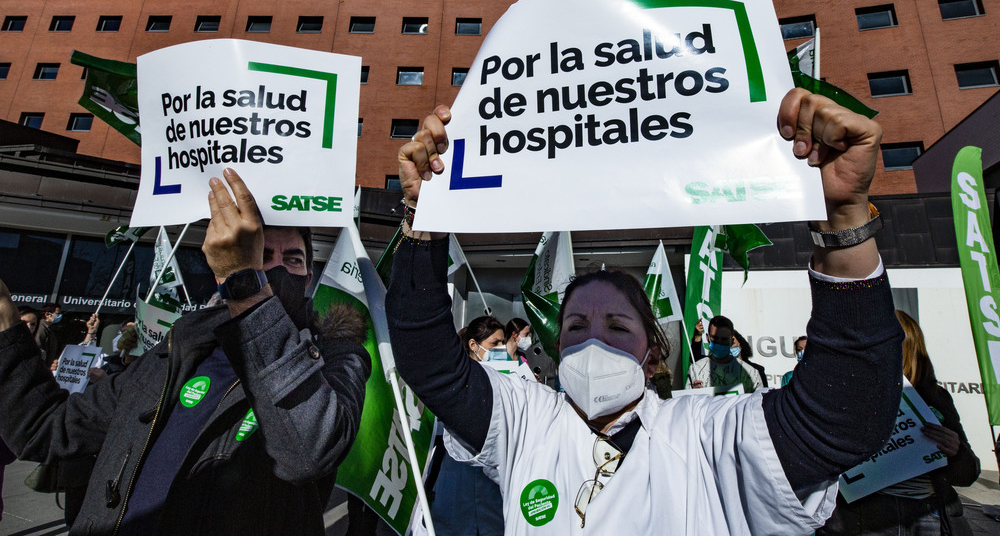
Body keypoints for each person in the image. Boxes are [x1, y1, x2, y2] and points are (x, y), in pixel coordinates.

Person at [386, 88, 904, 533]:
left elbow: (845, 416)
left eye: (616, 325)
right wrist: (422, 216)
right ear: (557, 345)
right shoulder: (526, 422)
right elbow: (429, 360)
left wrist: (844, 219)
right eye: (576, 326)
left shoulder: (707, 434)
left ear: (653, 353)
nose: (593, 340)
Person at [0, 169, 370, 534]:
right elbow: (46, 429)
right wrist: (5, 325)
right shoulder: (177, 350)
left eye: (292, 259)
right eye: (261, 254)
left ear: (307, 280)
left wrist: (247, 287)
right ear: (225, 268)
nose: (274, 267)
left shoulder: (337, 356)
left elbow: (308, 451)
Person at [818, 310, 980, 535]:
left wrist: (956, 451)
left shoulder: (935, 397)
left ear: (906, 347)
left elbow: (967, 475)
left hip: (928, 516)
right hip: (864, 517)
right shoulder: (844, 394)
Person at [424, 315, 507, 535]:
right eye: (495, 344)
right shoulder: (454, 378)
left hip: (494, 481)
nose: (502, 348)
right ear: (474, 345)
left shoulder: (509, 381)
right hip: (457, 473)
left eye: (503, 342)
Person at [686, 315, 763, 394]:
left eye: (724, 338)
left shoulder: (751, 373)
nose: (719, 342)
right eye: (714, 337)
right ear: (707, 337)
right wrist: (693, 395)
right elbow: (686, 404)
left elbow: (759, 403)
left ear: (731, 339)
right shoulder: (695, 370)